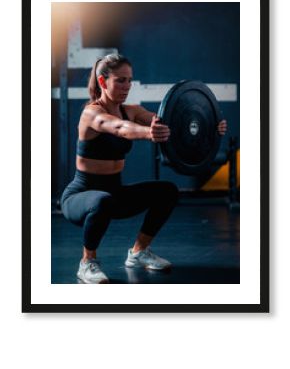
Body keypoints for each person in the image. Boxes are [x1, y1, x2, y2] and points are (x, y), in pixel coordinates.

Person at [61, 54, 227, 284]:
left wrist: (211, 125)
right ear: (102, 82)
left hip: (114, 194)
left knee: (167, 190)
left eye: (129, 80)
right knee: (102, 201)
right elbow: (119, 127)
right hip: (81, 196)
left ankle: (138, 252)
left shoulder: (132, 110)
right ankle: (87, 262)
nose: (127, 86)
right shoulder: (91, 113)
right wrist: (149, 133)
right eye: (120, 80)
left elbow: (169, 122)